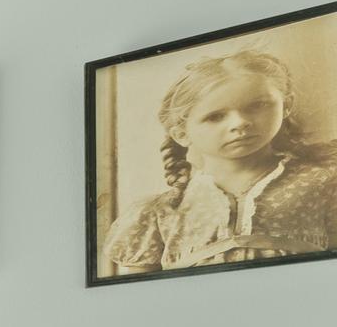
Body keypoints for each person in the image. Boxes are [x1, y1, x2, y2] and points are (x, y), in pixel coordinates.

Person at [105, 48, 337, 273]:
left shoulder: (324, 184)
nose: (240, 123)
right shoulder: (160, 212)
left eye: (258, 105)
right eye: (215, 117)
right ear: (182, 134)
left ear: (286, 105)